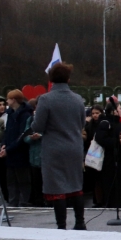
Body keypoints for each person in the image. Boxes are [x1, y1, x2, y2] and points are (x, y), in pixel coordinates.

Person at [32, 63, 87, 229]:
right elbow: (82, 122)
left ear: (51, 79)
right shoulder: (78, 99)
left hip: (54, 148)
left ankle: (61, 226)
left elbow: (38, 127)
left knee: (57, 188)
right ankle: (80, 223)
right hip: (75, 147)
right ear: (68, 79)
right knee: (76, 185)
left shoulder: (46, 99)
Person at [94, 101, 121, 209]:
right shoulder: (105, 123)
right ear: (113, 111)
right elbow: (100, 138)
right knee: (109, 182)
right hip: (108, 159)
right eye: (119, 108)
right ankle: (109, 204)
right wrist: (117, 142)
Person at [0, 90, 33, 207]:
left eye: (8, 99)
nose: (7, 101)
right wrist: (4, 144)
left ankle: (24, 201)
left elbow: (22, 135)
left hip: (20, 152)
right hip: (10, 151)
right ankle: (13, 201)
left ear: (13, 100)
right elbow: (7, 131)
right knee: (11, 180)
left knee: (23, 179)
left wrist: (8, 149)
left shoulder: (25, 115)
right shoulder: (10, 114)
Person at [22, 100, 45, 207]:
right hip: (34, 157)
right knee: (36, 182)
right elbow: (25, 137)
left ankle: (48, 202)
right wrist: (31, 138)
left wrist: (41, 136)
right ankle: (37, 202)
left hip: (48, 157)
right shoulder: (30, 119)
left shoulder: (51, 119)